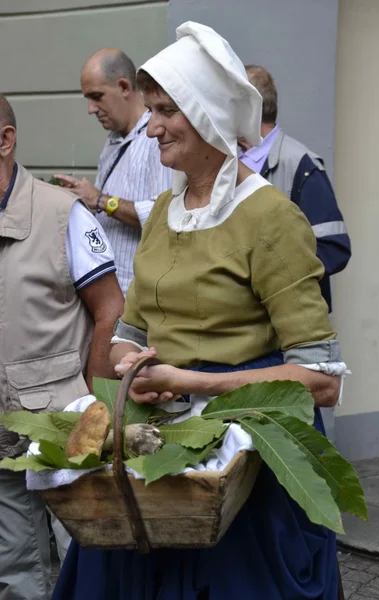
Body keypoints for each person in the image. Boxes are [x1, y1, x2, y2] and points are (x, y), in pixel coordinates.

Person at [53, 22, 347, 600]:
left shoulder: (270, 218)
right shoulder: (163, 212)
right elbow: (128, 334)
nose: (152, 126)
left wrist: (189, 380)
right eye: (152, 108)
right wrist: (132, 365)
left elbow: (320, 380)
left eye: (166, 110)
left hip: (246, 462)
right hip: (161, 448)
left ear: (209, 112)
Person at [0, 94, 124, 600]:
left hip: (64, 428)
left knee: (86, 560)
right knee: (14, 567)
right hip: (4, 437)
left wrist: (98, 405)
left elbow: (110, 309)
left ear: (4, 140)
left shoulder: (63, 214)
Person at [55, 48, 172, 296]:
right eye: (87, 98)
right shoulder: (112, 141)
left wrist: (99, 200)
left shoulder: (158, 138)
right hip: (111, 293)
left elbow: (165, 215)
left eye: (97, 96)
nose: (91, 108)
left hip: (140, 300)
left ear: (124, 87)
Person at [239, 65, 351, 312]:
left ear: (249, 108)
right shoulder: (228, 162)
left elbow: (334, 246)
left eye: (230, 102)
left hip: (287, 329)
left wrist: (273, 277)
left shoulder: (302, 164)